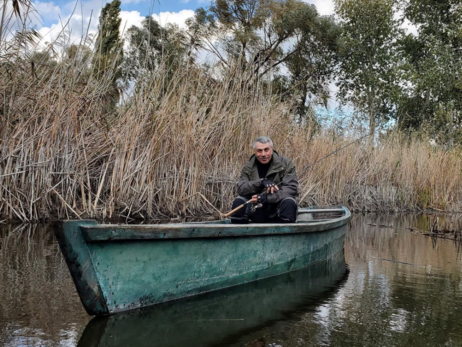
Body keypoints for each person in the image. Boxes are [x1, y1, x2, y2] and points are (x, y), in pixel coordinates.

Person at [231, 136, 298, 224]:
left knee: (289, 202)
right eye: (259, 151)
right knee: (238, 202)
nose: (263, 154)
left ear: (271, 150)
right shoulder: (248, 166)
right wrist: (261, 182)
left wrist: (266, 198)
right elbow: (241, 188)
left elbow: (291, 189)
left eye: (266, 150)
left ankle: (285, 235)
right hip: (255, 208)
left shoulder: (286, 164)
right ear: (255, 152)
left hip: (277, 207)